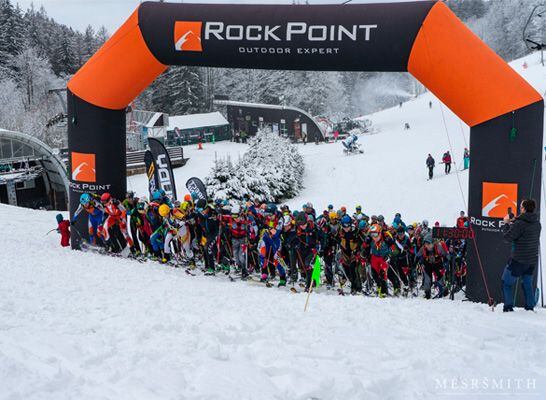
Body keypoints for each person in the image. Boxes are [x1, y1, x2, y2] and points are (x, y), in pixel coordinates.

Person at [501, 199, 541, 312]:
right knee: (527, 285)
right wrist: (514, 221)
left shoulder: (519, 224)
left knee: (506, 283)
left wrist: (506, 224)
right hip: (531, 261)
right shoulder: (537, 223)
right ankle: (530, 308)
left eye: (521, 206)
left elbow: (507, 238)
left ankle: (508, 308)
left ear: (524, 208)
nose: (519, 208)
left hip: (518, 261)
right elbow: (524, 230)